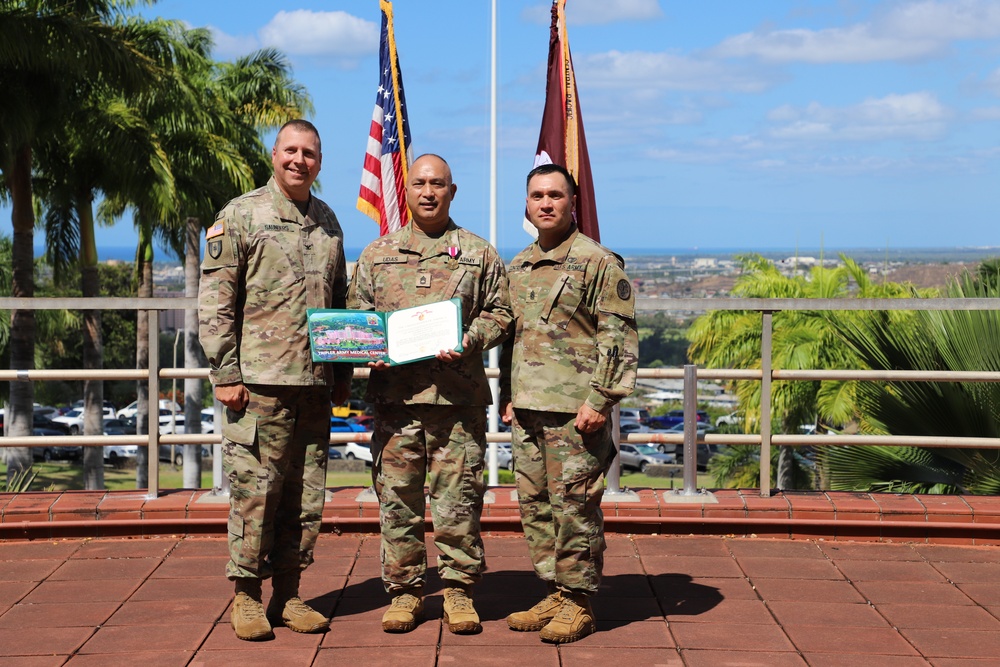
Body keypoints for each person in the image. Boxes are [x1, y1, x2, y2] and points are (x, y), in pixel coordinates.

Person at [199, 119, 352, 641]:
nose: (299, 160)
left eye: (309, 152)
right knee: (253, 494)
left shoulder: (328, 220)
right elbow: (216, 302)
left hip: (314, 385)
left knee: (305, 498)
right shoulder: (241, 215)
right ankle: (246, 596)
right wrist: (225, 372)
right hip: (257, 384)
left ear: (320, 160)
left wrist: (343, 374)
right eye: (291, 150)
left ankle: (289, 594)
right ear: (274, 154)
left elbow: (339, 301)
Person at [347, 153, 512, 635]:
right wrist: (368, 345)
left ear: (452, 191)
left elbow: (501, 313)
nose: (428, 192)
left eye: (437, 184)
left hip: (455, 403)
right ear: (408, 189)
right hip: (395, 404)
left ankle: (459, 590)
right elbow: (358, 314)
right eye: (419, 183)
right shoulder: (378, 254)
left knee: (458, 500)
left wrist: (470, 339)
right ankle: (405, 592)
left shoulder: (479, 253)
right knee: (397, 500)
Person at [499, 163, 638, 644]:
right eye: (537, 195)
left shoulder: (598, 262)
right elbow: (513, 339)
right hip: (529, 409)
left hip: (577, 413)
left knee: (576, 507)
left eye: (555, 195)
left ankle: (579, 601)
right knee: (536, 507)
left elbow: (617, 338)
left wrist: (600, 399)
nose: (546, 203)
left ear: (571, 202)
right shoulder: (517, 266)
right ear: (527, 204)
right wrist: (509, 398)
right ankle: (556, 590)